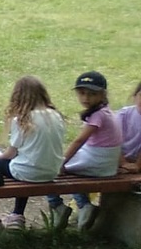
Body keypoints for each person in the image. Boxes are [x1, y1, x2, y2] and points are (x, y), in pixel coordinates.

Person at [0, 76, 66, 231]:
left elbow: (11, 153)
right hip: (51, 172)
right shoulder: (56, 116)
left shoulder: (22, 119)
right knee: (24, 163)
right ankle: (17, 215)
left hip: (28, 172)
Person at [47, 71, 123, 232]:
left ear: (103, 94)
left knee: (48, 169)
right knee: (73, 173)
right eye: (81, 93)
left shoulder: (98, 116)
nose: (85, 99)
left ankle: (58, 206)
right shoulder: (106, 111)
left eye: (92, 94)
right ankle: (84, 206)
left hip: (97, 162)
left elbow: (79, 141)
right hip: (106, 164)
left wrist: (62, 161)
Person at [116, 81, 141, 174]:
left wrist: (138, 165)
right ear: (135, 96)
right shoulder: (123, 115)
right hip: (117, 156)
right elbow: (112, 141)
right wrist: (123, 162)